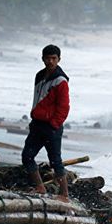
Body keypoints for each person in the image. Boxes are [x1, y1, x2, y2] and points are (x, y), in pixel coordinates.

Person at [22, 44, 70, 202]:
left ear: (59, 59)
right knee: (27, 156)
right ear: (42, 58)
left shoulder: (61, 81)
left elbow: (64, 107)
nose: (50, 61)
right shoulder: (39, 76)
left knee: (55, 161)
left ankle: (64, 194)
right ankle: (40, 187)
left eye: (53, 58)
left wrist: (54, 124)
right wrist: (34, 116)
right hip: (37, 124)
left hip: (51, 126)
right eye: (47, 58)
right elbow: (37, 99)